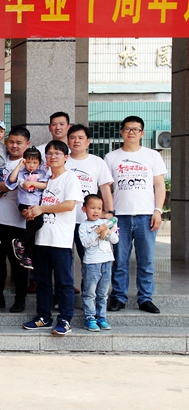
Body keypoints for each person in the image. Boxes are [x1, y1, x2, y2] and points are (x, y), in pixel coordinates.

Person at [104, 116, 166, 314]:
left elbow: (159, 185)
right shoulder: (111, 157)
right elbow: (105, 188)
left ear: (142, 133)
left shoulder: (152, 156)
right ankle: (118, 297)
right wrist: (108, 212)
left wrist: (158, 211)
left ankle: (145, 298)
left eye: (136, 129)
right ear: (121, 132)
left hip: (146, 215)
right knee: (119, 260)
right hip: (119, 216)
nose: (131, 132)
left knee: (146, 261)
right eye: (128, 129)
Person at [22, 140, 82, 336]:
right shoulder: (48, 181)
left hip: (60, 240)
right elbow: (42, 207)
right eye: (49, 153)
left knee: (64, 282)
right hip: (42, 239)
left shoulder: (70, 178)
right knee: (42, 281)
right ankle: (43, 317)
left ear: (66, 157)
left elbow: (69, 205)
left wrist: (42, 208)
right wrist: (32, 212)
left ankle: (65, 319)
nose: (53, 156)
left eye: (57, 153)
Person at [0, 126, 32, 312]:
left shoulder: (29, 163)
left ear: (27, 144)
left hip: (18, 222)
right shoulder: (0, 159)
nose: (14, 146)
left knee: (18, 263)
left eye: (19, 143)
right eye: (11, 142)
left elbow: (13, 184)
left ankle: (20, 300)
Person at [66, 124, 115, 261]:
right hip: (65, 220)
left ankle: (88, 277)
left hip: (88, 221)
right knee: (64, 260)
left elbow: (105, 189)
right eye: (72, 137)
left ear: (88, 141)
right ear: (68, 140)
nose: (76, 141)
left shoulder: (97, 162)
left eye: (81, 138)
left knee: (89, 258)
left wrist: (110, 211)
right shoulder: (62, 161)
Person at [78, 194, 118, 332]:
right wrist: (96, 231)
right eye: (92, 208)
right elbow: (86, 243)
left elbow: (115, 240)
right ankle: (90, 318)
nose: (96, 211)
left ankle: (102, 317)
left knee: (103, 293)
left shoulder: (105, 223)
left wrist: (107, 232)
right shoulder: (83, 226)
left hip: (106, 262)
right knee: (90, 293)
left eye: (99, 208)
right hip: (91, 264)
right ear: (84, 209)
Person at [5, 147, 50, 270]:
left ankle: (26, 255)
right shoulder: (21, 173)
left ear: (39, 163)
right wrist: (19, 165)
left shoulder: (42, 174)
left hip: (36, 205)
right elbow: (11, 180)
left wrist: (33, 183)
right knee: (37, 223)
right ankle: (21, 242)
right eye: (28, 162)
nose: (31, 165)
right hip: (24, 203)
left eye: (35, 162)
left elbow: (46, 185)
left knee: (33, 229)